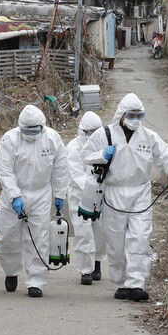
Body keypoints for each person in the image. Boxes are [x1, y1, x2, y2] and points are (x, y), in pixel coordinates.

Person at [84, 93, 168, 302]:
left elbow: (165, 155)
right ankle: (121, 283)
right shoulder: (105, 134)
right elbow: (85, 154)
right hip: (113, 192)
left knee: (139, 238)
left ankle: (136, 283)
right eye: (132, 115)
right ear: (122, 114)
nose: (135, 119)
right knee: (116, 240)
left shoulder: (148, 136)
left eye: (139, 115)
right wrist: (102, 155)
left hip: (140, 192)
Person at [0, 104, 69, 298]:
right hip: (14, 195)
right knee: (7, 237)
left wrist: (60, 194)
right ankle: (11, 272)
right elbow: (4, 169)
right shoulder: (9, 139)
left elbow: (61, 167)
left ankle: (36, 280)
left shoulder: (53, 138)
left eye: (34, 130)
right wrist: (14, 195)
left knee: (39, 238)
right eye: (26, 130)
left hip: (41, 194)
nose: (30, 134)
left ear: (42, 126)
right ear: (20, 127)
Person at [65, 110, 107, 285]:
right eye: (91, 132)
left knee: (100, 229)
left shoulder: (103, 145)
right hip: (79, 194)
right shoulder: (73, 148)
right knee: (83, 231)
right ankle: (85, 270)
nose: (94, 136)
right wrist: (91, 187)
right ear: (83, 131)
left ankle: (96, 262)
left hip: (99, 194)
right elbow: (76, 174)